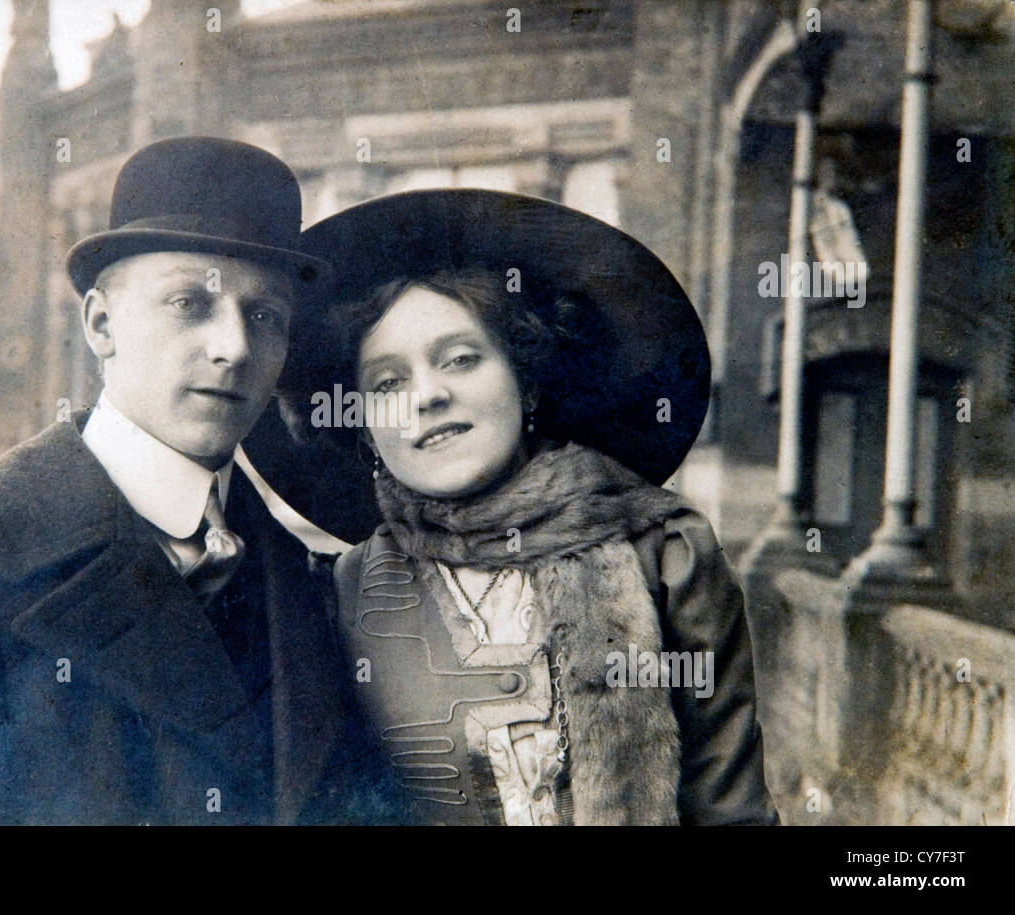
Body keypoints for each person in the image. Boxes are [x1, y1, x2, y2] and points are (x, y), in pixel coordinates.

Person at [0, 137, 405, 825]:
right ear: (100, 322)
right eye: (190, 303)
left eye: (265, 315)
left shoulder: (312, 582)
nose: (234, 346)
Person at [267, 189, 778, 825]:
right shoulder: (344, 593)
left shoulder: (666, 555)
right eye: (388, 383)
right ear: (366, 428)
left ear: (526, 379)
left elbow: (732, 812)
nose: (427, 395)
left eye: (461, 359)